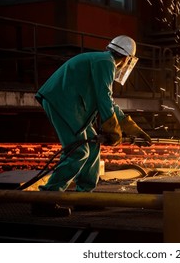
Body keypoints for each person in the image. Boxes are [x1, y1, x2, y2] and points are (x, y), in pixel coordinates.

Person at [32, 35, 152, 216]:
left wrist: (131, 128)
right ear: (127, 58)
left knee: (92, 145)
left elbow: (108, 102)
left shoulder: (101, 59)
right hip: (63, 104)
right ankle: (46, 199)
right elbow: (103, 97)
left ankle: (84, 197)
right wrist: (112, 129)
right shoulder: (106, 63)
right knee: (78, 151)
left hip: (69, 104)